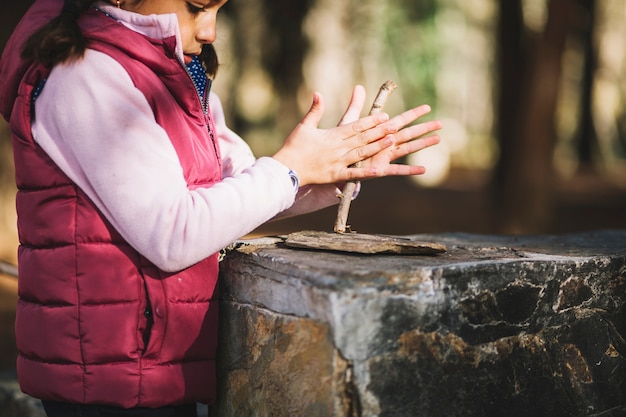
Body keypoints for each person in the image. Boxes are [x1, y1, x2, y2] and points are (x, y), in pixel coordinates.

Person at [0, 0, 442, 415]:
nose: (210, 30)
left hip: (154, 364)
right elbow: (171, 233)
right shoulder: (85, 73)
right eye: (197, 7)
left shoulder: (175, 72)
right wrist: (290, 169)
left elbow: (237, 191)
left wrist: (331, 172)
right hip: (107, 378)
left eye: (218, 9)